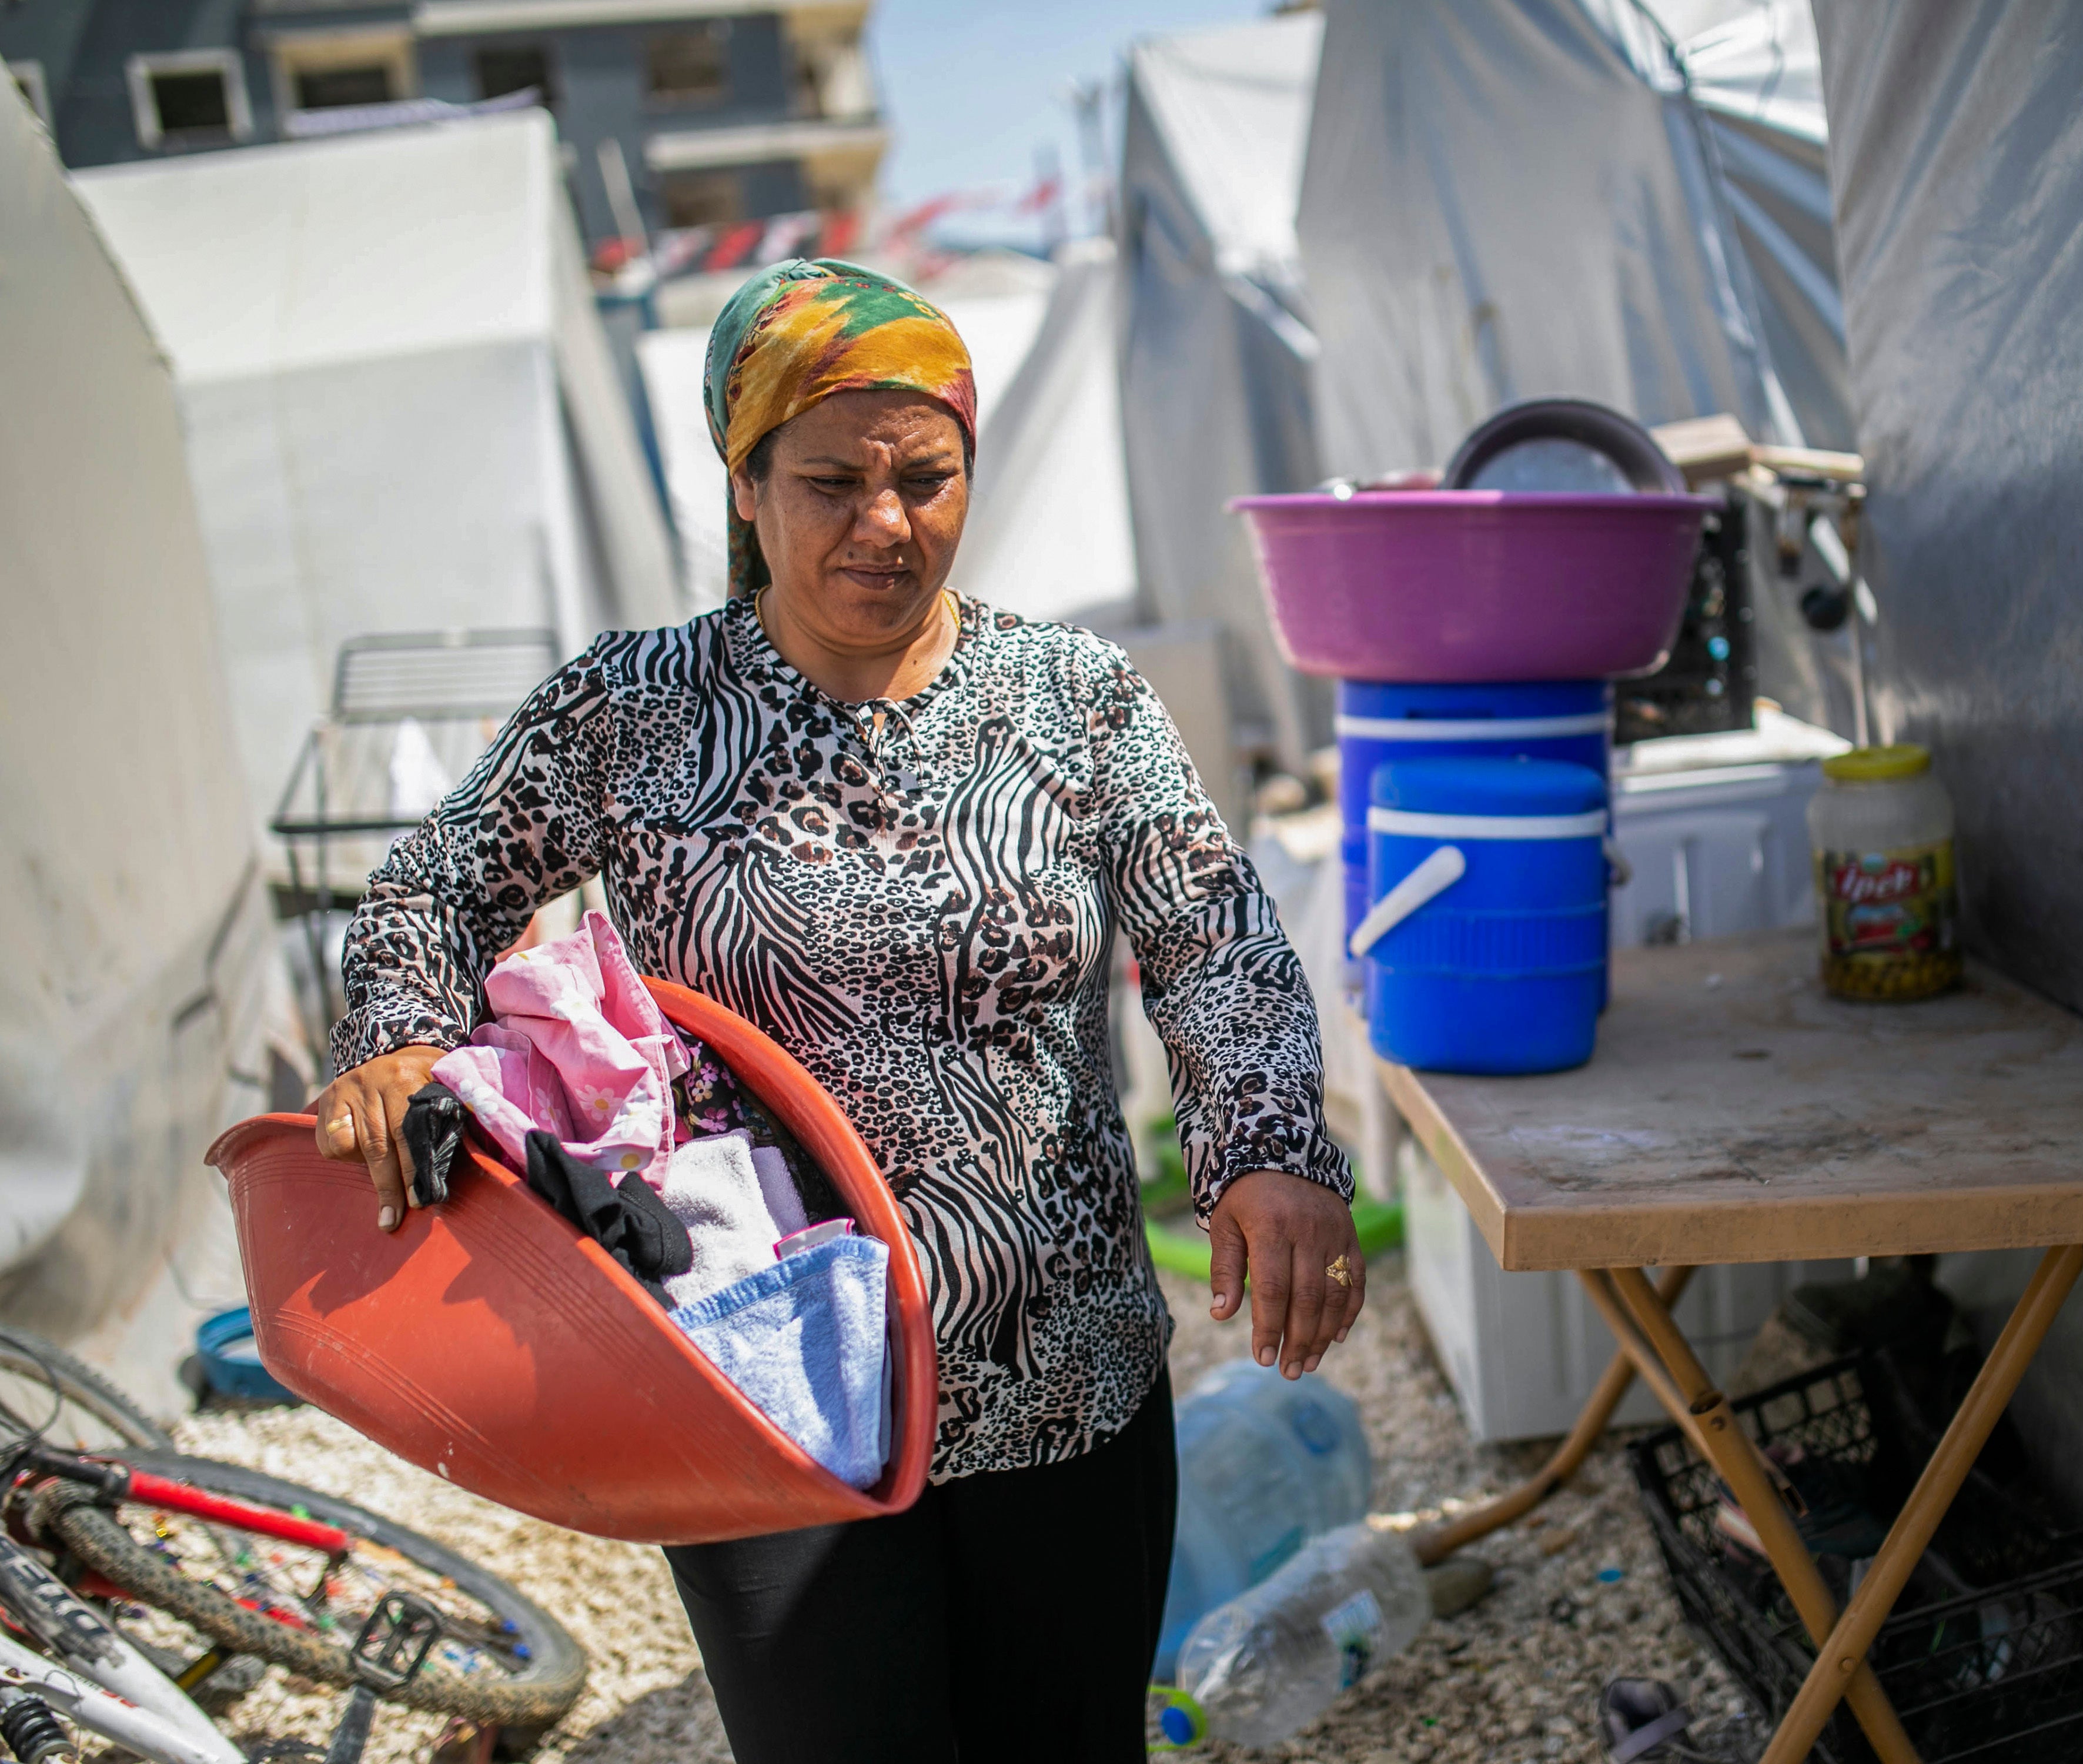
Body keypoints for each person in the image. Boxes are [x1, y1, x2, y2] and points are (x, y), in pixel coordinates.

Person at [310, 258, 1361, 1760]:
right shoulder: (635, 711)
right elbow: (430, 893)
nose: (887, 524)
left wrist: (1268, 1146)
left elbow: (1212, 933)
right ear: (745, 485)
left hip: (1055, 1364)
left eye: (926, 478)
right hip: (760, 1383)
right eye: (829, 481)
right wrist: (399, 1040)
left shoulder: (1073, 700)